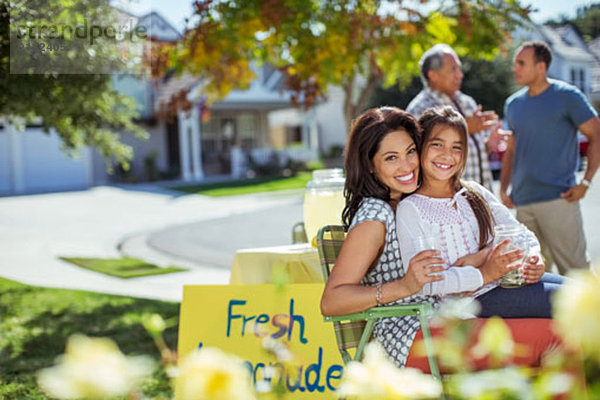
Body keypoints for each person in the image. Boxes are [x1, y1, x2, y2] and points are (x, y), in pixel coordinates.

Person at [320, 106, 562, 372]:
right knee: (555, 337)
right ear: (370, 165)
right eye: (391, 158)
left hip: (441, 317)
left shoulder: (400, 202)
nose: (407, 165)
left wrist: (490, 257)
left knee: (564, 324)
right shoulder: (375, 215)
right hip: (409, 335)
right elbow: (332, 302)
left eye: (410, 151)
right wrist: (403, 286)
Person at [396, 106, 564, 320]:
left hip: (506, 283)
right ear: (420, 147)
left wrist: (533, 257)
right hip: (468, 303)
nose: (447, 155)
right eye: (437, 144)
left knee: (586, 292)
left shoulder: (474, 193)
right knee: (571, 303)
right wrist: (485, 273)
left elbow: (519, 232)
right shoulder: (411, 209)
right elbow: (427, 283)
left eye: (457, 147)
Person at [501, 41, 600, 275]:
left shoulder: (568, 97)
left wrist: (585, 182)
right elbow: (511, 150)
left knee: (576, 274)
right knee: (532, 277)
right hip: (523, 203)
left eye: (521, 63)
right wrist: (504, 188)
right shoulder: (513, 104)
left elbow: (596, 135)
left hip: (559, 199)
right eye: (515, 63)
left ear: (541, 67)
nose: (515, 68)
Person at [406, 44, 502, 191]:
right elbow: (420, 155)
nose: (460, 74)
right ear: (433, 75)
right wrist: (465, 127)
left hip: (482, 197)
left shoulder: (467, 102)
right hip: (450, 202)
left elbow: (475, 154)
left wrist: (489, 145)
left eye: (459, 68)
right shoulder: (419, 109)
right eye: (453, 69)